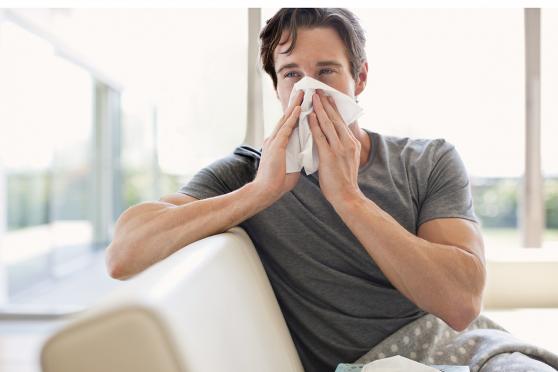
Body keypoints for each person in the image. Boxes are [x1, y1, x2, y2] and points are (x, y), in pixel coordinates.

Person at [105, 8, 486, 372]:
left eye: (327, 71)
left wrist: (348, 198)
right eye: (291, 74)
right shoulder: (245, 174)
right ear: (276, 88)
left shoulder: (427, 160)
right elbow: (124, 255)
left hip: (450, 349)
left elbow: (461, 304)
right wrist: (260, 192)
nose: (309, 90)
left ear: (361, 77)